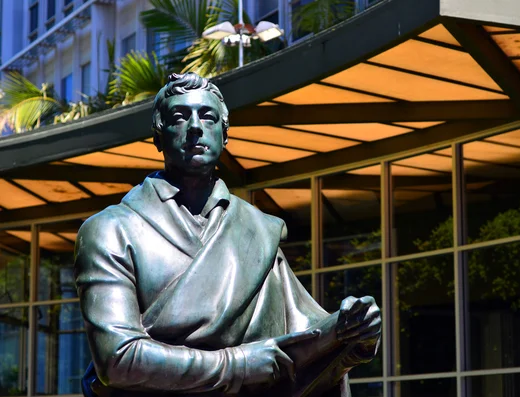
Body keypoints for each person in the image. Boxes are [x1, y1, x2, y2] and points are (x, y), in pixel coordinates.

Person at [74, 73, 381, 397]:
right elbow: (118, 359)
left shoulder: (258, 230)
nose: (195, 127)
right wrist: (239, 364)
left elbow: (304, 340)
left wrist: (351, 329)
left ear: (224, 133)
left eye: (207, 116)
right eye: (179, 117)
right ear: (158, 136)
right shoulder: (110, 229)